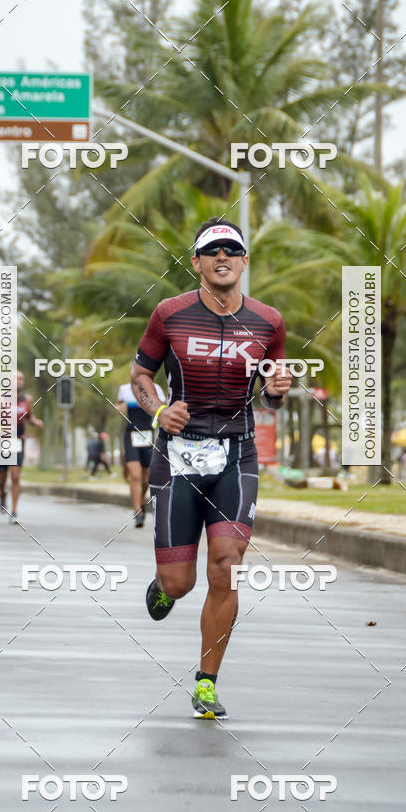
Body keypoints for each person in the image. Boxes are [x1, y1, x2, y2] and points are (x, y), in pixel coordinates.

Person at [130, 218, 291, 720]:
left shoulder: (268, 322)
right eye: (212, 251)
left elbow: (272, 393)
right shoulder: (169, 314)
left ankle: (206, 682)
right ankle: (163, 587)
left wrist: (277, 391)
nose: (223, 257)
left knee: (227, 564)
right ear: (196, 262)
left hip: (237, 456)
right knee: (180, 582)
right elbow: (140, 374)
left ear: (244, 261)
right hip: (178, 454)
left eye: (232, 250)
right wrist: (159, 411)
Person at [116, 378, 165, 527]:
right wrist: (124, 406)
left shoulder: (156, 388)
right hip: (131, 435)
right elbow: (118, 407)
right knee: (135, 475)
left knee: (146, 479)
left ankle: (141, 500)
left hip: (148, 435)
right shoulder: (125, 389)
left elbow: (164, 408)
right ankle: (137, 511)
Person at [0, 370, 43, 524]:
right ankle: (2, 494)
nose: (18, 381)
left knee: (15, 476)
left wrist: (36, 422)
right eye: (15, 378)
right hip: (2, 441)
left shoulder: (27, 400)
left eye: (21, 379)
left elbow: (29, 417)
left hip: (18, 440)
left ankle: (14, 511)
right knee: (3, 477)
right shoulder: (0, 399)